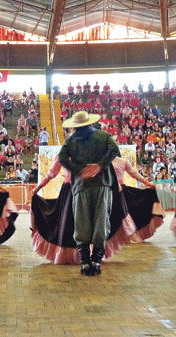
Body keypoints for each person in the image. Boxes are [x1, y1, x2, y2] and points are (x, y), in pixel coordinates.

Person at [58, 111, 119, 276]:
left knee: (82, 222)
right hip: (103, 184)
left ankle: (85, 262)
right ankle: (96, 260)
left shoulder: (71, 141)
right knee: (101, 222)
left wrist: (78, 170)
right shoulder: (103, 135)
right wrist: (100, 165)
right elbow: (114, 149)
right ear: (90, 122)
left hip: (81, 185)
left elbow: (62, 158)